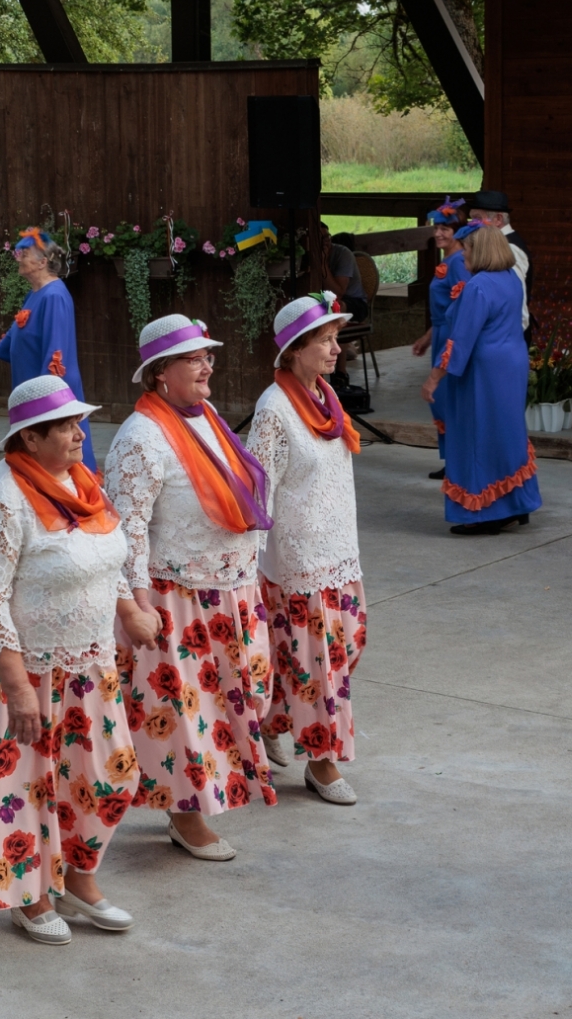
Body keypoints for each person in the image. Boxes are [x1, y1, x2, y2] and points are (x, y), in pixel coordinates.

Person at [0, 375, 161, 945]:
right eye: (67, 427)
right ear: (29, 440)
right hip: (21, 672)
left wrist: (129, 610)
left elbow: (108, 551)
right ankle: (32, 893)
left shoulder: (81, 483)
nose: (79, 433)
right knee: (23, 787)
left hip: (89, 661)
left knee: (107, 777)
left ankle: (78, 876)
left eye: (77, 423)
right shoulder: (0, 498)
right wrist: (18, 689)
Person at [103, 314, 276, 862]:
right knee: (185, 711)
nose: (207, 365)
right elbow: (124, 529)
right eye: (193, 359)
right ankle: (186, 814)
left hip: (228, 590)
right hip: (178, 596)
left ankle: (199, 801)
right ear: (160, 374)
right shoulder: (141, 436)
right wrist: (134, 602)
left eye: (208, 356)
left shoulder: (206, 418)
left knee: (226, 703)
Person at [247, 293, 369, 805]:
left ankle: (273, 720)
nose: (336, 349)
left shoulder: (325, 396)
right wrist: (250, 564)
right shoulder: (274, 410)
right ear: (296, 349)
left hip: (339, 550)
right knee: (320, 664)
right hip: (300, 562)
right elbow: (258, 489)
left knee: (340, 649)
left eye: (336, 338)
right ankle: (322, 762)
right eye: (326, 340)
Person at [421, 221, 542, 535]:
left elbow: (461, 340)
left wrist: (434, 378)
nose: (463, 256)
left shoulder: (479, 286)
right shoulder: (510, 279)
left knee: (478, 436)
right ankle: (516, 503)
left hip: (484, 369)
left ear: (481, 250)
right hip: (512, 362)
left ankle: (485, 512)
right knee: (506, 431)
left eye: (468, 249)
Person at [0, 228, 96, 472]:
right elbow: (16, 331)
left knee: (57, 452)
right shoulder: (36, 293)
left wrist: (43, 399)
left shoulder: (55, 296)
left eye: (24, 253)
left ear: (43, 262)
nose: (18, 257)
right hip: (34, 388)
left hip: (50, 393)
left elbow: (56, 355)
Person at [411, 198, 470, 480]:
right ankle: (451, 461)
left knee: (447, 399)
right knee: (441, 402)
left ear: (458, 231)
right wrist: (426, 337)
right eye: (437, 228)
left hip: (451, 336)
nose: (438, 233)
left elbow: (462, 308)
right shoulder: (448, 260)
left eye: (445, 228)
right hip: (441, 333)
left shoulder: (459, 263)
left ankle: (457, 462)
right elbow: (445, 310)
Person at [467, 190, 532, 336]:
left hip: (508, 337)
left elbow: (518, 299)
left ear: (497, 219)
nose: (472, 224)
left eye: (477, 218)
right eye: (471, 219)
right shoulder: (498, 246)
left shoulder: (511, 249)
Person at [320, 223, 368, 391]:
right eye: (320, 239)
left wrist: (323, 264)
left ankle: (340, 373)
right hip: (324, 303)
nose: (325, 242)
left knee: (336, 306)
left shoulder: (342, 254)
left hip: (354, 303)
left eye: (327, 237)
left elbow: (338, 292)